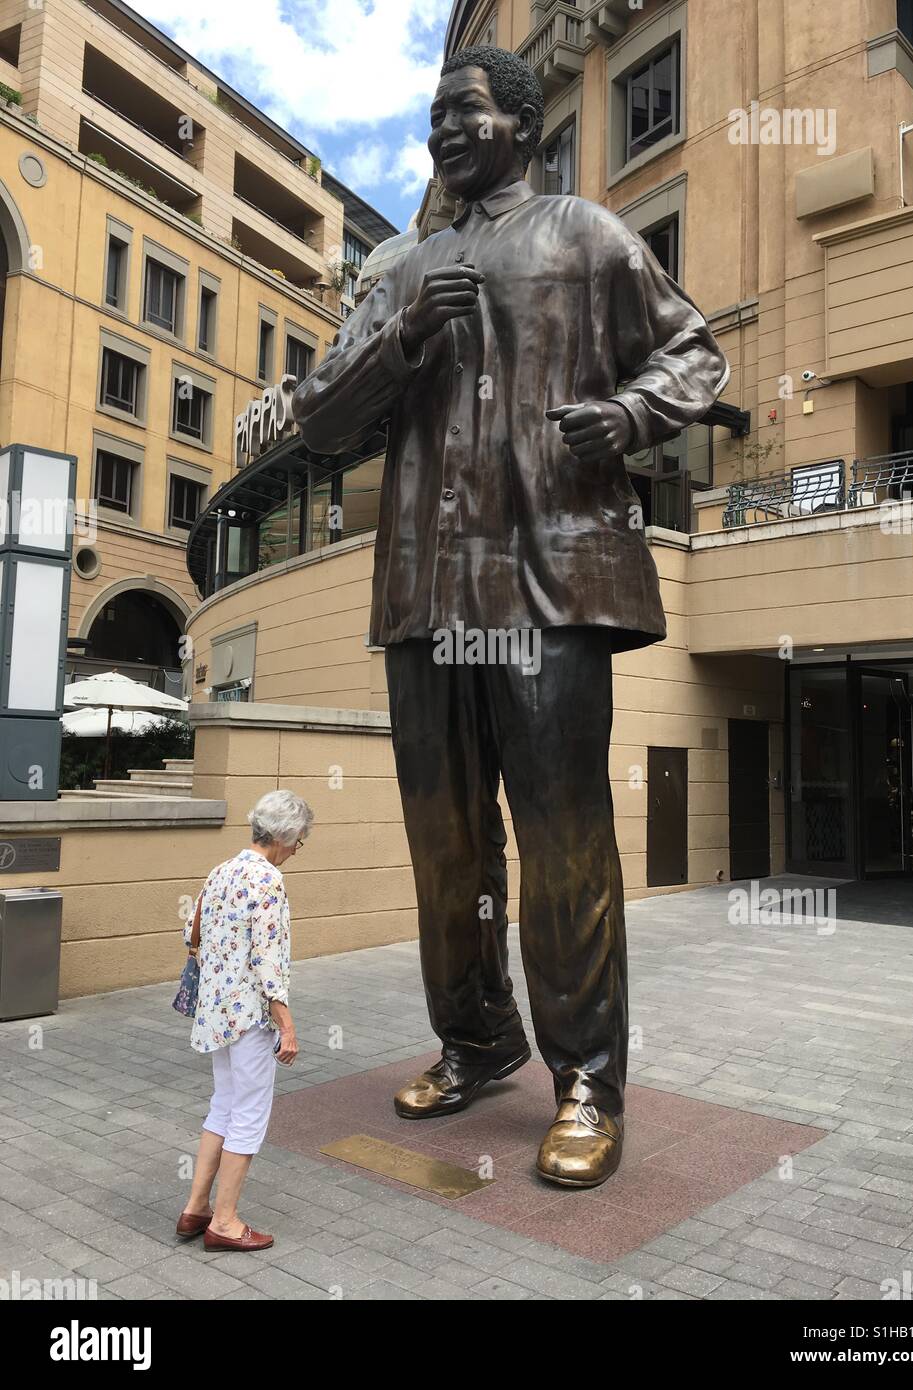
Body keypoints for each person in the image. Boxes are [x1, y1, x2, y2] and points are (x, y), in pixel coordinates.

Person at [293, 46, 727, 1188]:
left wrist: (631, 413)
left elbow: (695, 350)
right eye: (433, 115)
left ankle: (587, 1078)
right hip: (427, 594)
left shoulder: (586, 235)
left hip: (546, 582)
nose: (442, 130)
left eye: (464, 111)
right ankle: (477, 1037)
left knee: (561, 831)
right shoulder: (402, 269)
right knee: (445, 839)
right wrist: (402, 338)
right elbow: (319, 421)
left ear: (522, 127)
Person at [176, 790, 313, 1249]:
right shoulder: (268, 880)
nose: (297, 850)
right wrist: (287, 1025)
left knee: (224, 1104)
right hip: (250, 1016)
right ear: (284, 836)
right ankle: (226, 1222)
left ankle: (196, 1209)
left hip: (214, 1014)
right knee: (250, 1114)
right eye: (299, 841)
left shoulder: (222, 870)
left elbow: (189, 933)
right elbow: (268, 961)